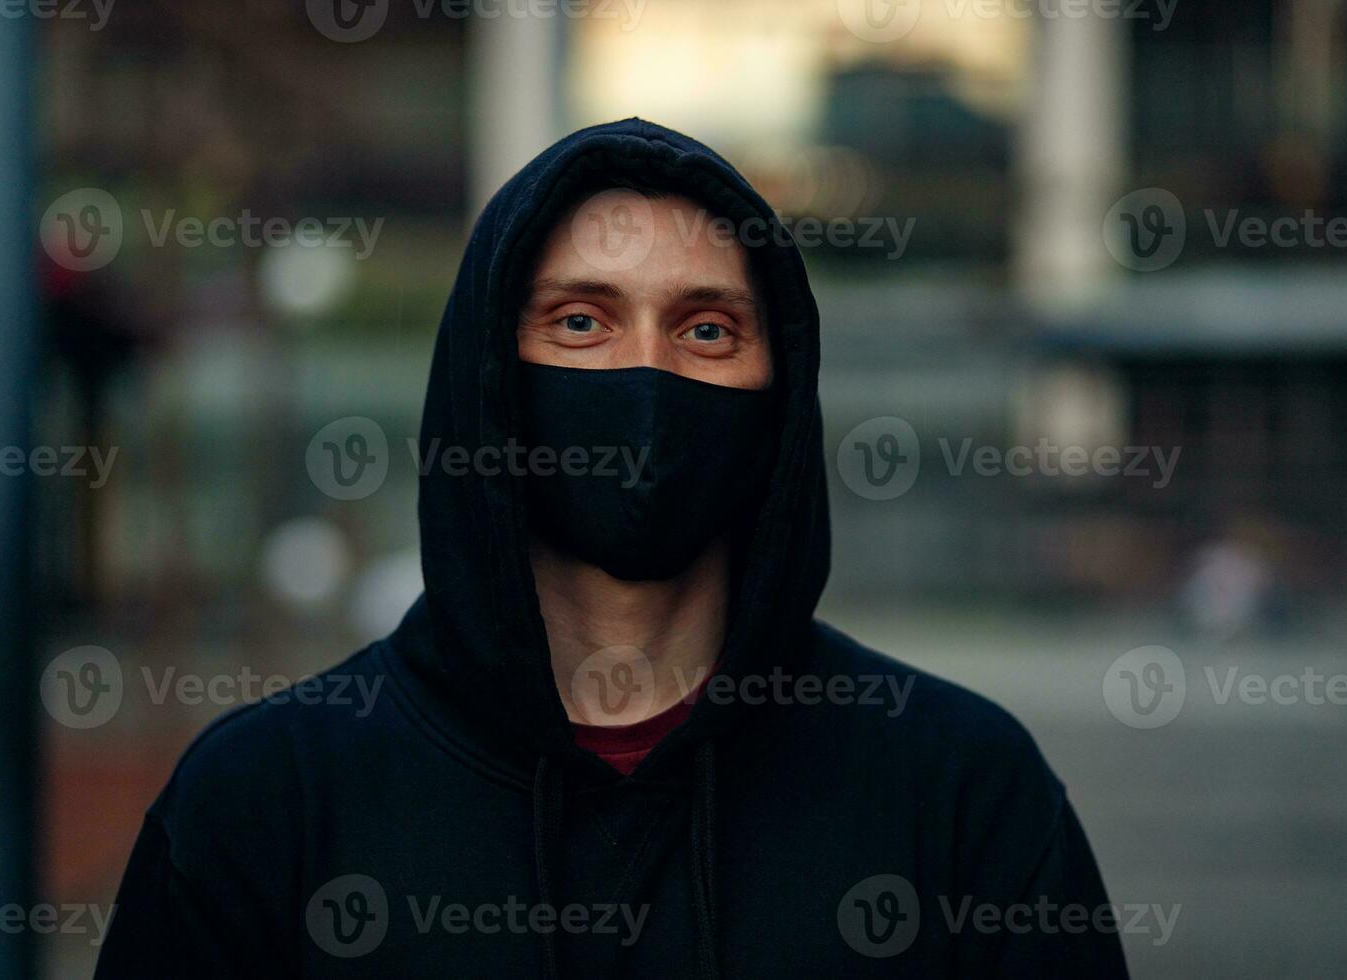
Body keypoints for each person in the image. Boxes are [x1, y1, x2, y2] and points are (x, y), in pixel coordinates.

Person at [95, 118, 1128, 978]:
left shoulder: (960, 791)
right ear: (489, 374)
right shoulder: (263, 803)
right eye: (582, 321)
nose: (646, 375)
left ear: (783, 390)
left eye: (708, 329)